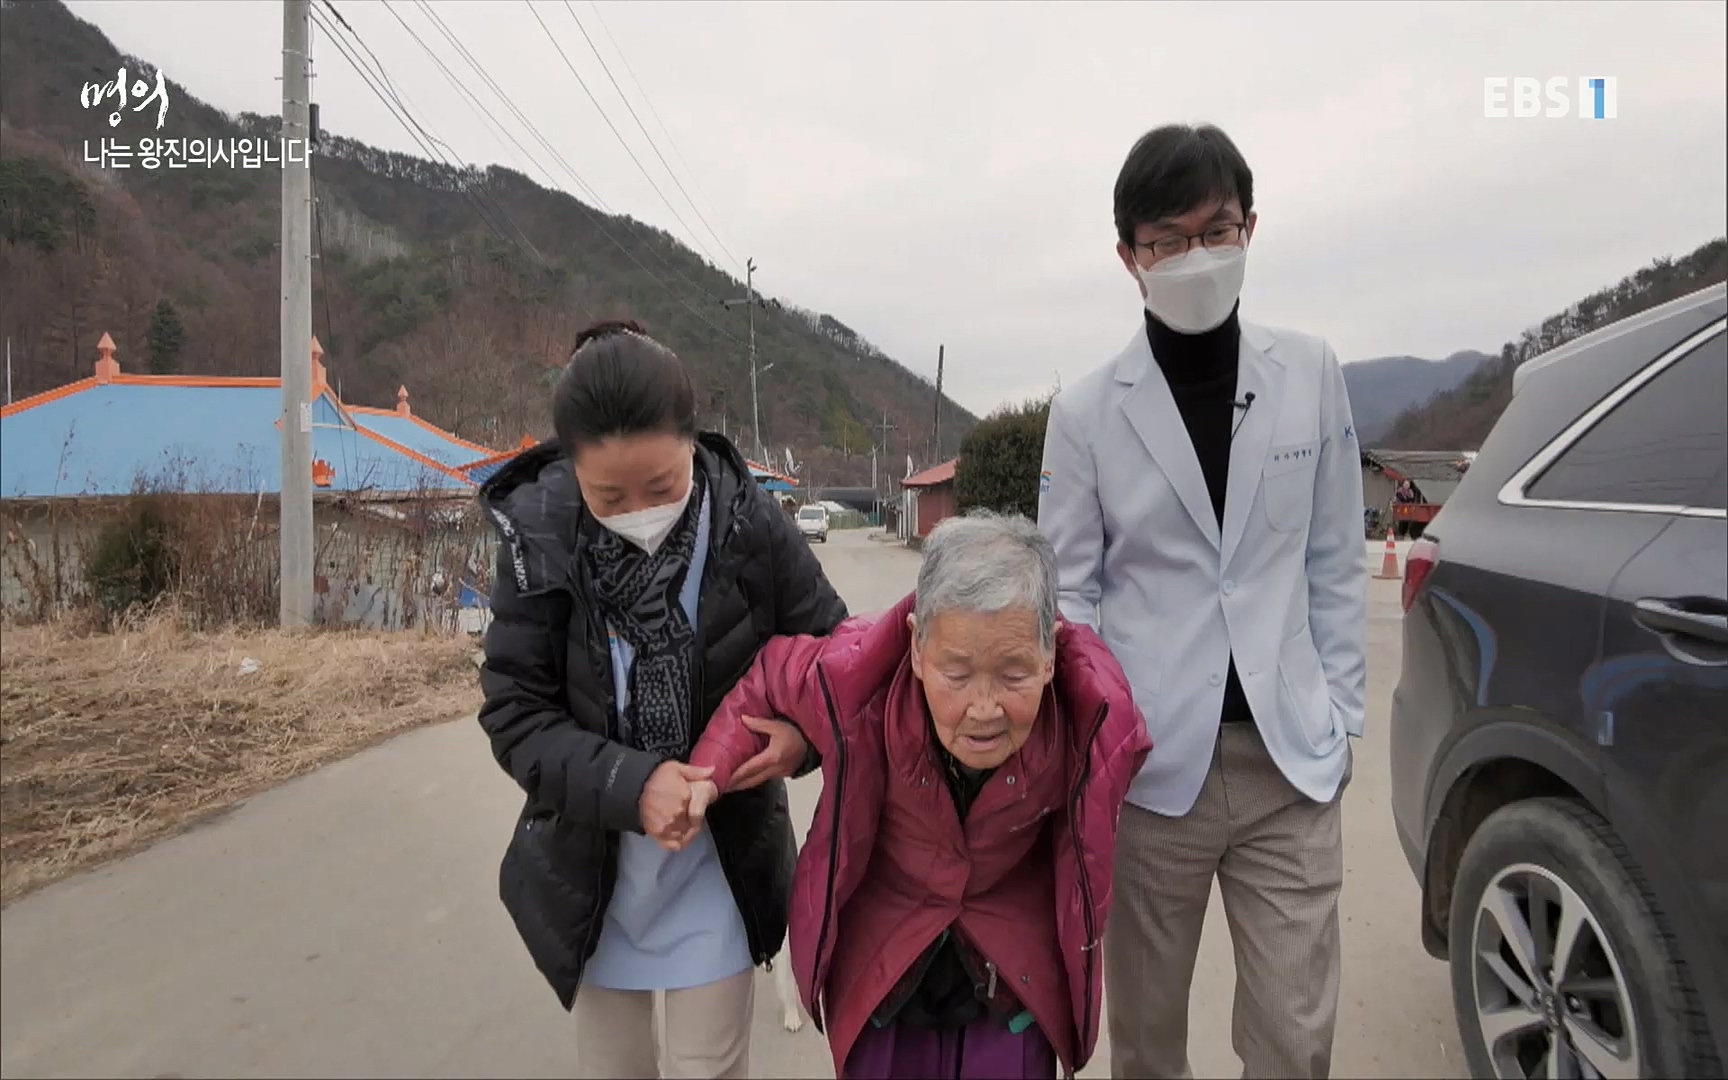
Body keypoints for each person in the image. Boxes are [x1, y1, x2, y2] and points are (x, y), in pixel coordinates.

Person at [1036, 123, 1368, 1079]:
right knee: (1146, 1041)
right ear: (1129, 257)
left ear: (1250, 228)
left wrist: (1342, 715)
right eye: (1168, 241)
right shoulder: (1087, 411)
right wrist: (1097, 741)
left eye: (1216, 231)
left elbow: (1336, 556)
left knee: (1295, 1040)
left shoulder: (1309, 372)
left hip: (1288, 764)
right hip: (1149, 774)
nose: (1196, 257)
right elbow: (1070, 592)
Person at [476, 319, 849, 1079]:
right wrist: (632, 784)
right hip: (593, 870)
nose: (637, 511)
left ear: (693, 442)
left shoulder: (749, 525)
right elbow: (517, 716)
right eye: (608, 494)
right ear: (569, 466)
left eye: (661, 487)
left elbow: (833, 659)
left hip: (721, 863)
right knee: (614, 1068)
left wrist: (801, 738)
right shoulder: (540, 543)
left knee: (707, 1067)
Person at [671, 511, 1152, 1080]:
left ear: (1050, 654)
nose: (984, 709)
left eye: (1013, 675)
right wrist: (706, 774)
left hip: (1009, 967)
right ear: (917, 646)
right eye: (957, 674)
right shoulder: (856, 676)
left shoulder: (1093, 716)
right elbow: (769, 677)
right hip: (888, 952)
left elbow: (1116, 781)